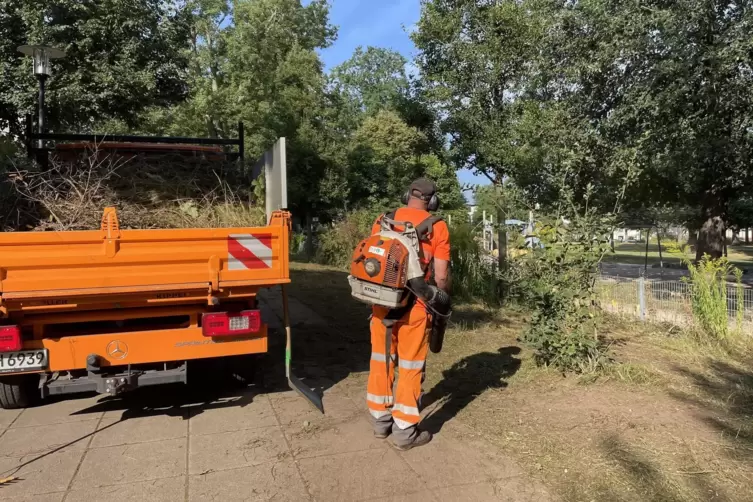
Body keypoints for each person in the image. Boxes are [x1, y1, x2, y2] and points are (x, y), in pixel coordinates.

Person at [366, 178, 451, 450]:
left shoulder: (383, 219)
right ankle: (404, 431)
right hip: (416, 307)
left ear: (406, 196)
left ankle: (380, 422)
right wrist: (442, 296)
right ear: (433, 201)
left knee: (381, 359)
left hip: (381, 304)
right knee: (411, 366)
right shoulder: (437, 226)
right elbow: (440, 276)